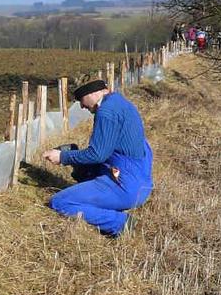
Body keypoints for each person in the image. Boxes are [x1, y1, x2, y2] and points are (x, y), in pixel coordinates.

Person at [41, 79, 154, 236]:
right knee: (85, 167)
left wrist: (63, 157)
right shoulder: (120, 102)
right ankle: (106, 200)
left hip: (127, 187)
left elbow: (97, 154)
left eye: (81, 99)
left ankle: (121, 223)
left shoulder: (106, 111)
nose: (81, 106)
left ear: (93, 92)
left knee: (61, 202)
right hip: (141, 183)